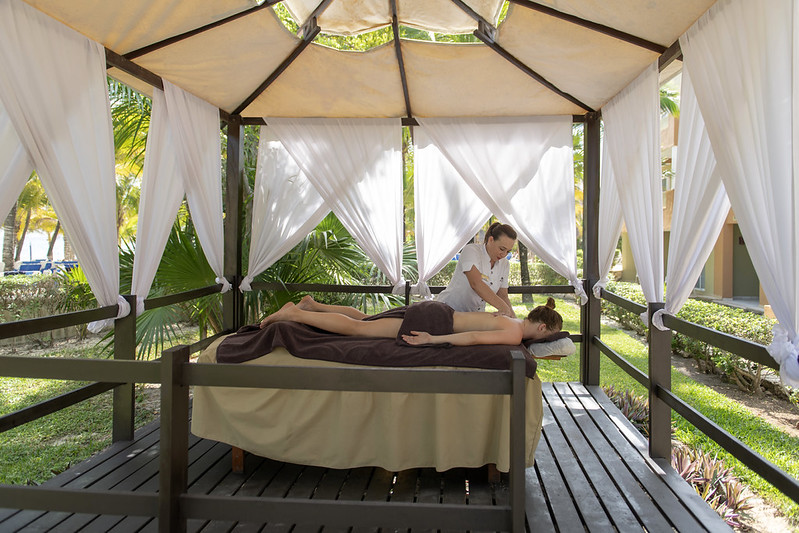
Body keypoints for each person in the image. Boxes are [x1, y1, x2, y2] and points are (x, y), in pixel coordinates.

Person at [260, 295, 562, 347]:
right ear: (542, 327)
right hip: (433, 322)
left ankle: (312, 305)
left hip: (438, 311)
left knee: (367, 318)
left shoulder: (511, 318)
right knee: (358, 330)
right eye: (547, 336)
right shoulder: (514, 334)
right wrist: (433, 339)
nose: (544, 340)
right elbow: (471, 338)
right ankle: (294, 314)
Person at [436, 222, 517, 318]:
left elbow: (502, 296)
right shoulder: (471, 251)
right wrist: (503, 307)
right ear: (491, 240)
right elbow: (476, 283)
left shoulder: (504, 264)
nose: (504, 254)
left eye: (508, 251)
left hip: (474, 317)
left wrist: (513, 318)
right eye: (502, 249)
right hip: (448, 311)